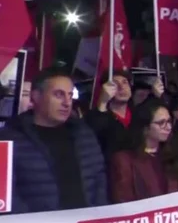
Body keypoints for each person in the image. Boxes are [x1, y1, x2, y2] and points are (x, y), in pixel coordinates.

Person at [0, 66, 107, 213]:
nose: (67, 103)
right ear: (36, 96)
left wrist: (97, 214)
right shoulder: (10, 138)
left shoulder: (84, 134)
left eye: (70, 96)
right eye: (59, 95)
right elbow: (8, 195)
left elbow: (99, 178)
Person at [109, 99, 178, 202]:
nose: (168, 127)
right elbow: (123, 200)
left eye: (169, 121)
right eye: (161, 123)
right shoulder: (124, 160)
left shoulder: (170, 154)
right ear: (145, 128)